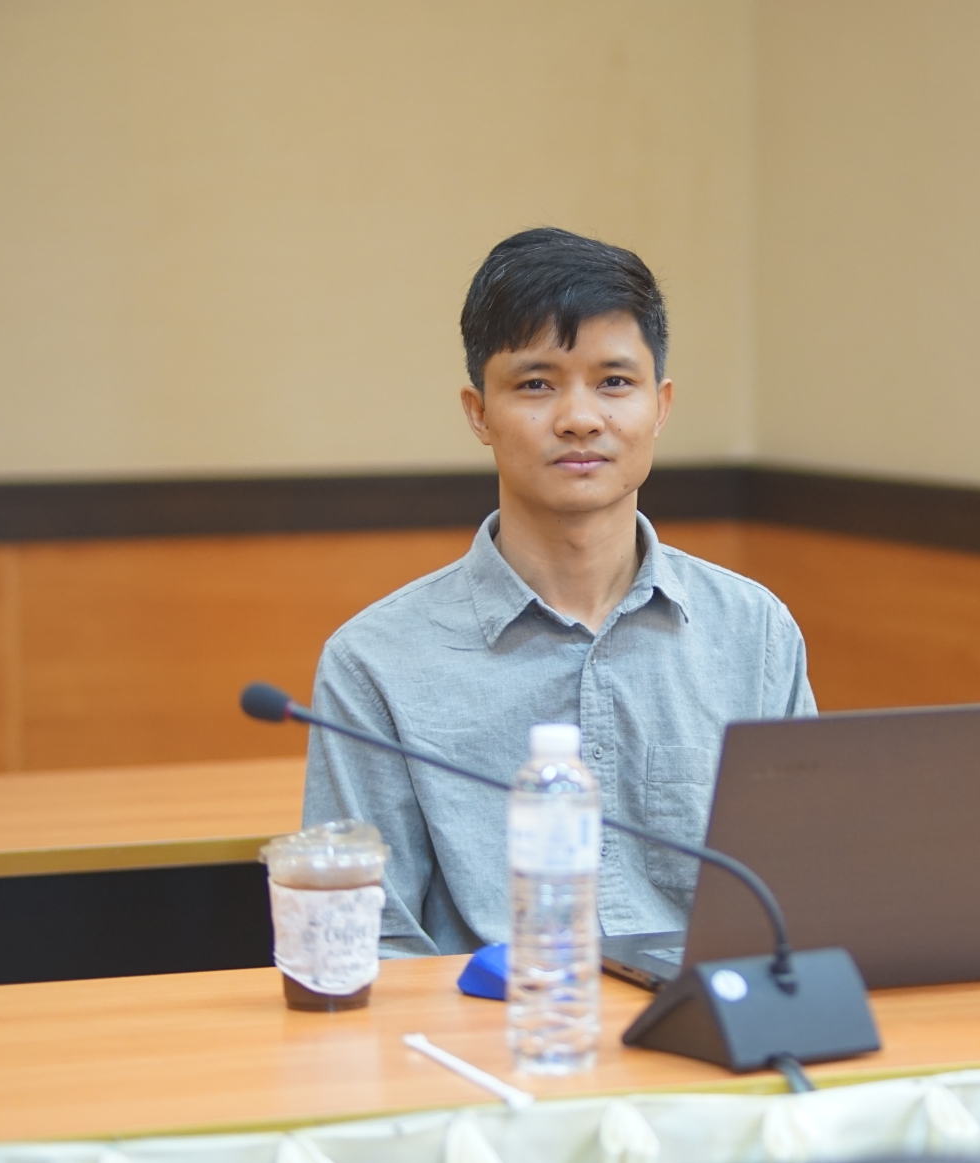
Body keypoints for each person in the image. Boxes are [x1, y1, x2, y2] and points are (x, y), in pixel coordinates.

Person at [303, 228, 815, 956]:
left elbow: (802, 893)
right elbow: (370, 941)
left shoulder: (753, 630)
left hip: (711, 1013)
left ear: (660, 406)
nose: (579, 418)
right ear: (479, 412)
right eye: (536, 384)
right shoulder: (375, 661)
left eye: (615, 382)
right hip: (491, 1019)